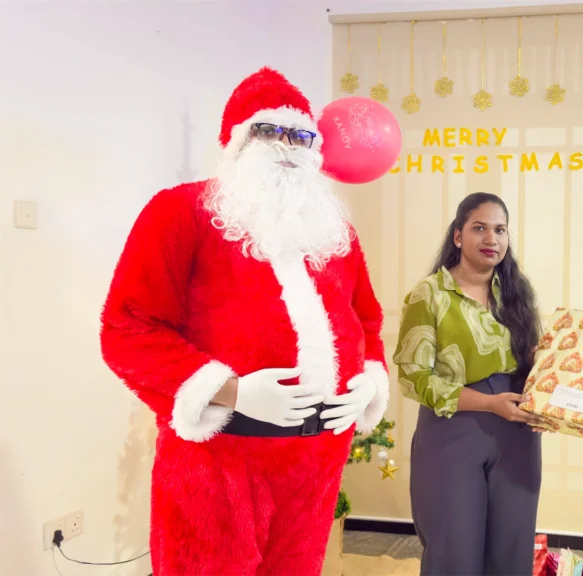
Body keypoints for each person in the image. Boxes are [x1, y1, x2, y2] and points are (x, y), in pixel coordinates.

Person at [99, 67, 391, 576]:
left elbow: (366, 319)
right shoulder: (180, 211)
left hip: (315, 462)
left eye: (301, 135)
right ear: (236, 141)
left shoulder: (330, 230)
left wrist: (369, 381)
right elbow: (128, 328)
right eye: (269, 130)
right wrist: (230, 391)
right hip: (220, 461)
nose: (287, 145)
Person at [392, 192, 546, 576]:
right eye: (479, 228)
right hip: (453, 431)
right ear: (458, 236)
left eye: (500, 230)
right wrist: (489, 403)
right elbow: (414, 377)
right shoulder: (428, 294)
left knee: (512, 548)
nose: (491, 238)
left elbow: (536, 365)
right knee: (454, 550)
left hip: (518, 433)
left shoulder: (516, 295)